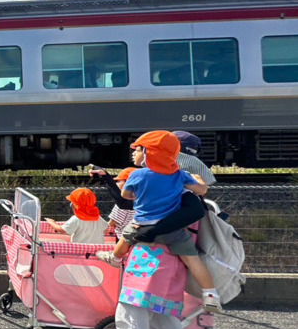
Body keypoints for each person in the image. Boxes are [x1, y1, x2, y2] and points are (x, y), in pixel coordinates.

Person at [95, 131, 222, 313]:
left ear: (148, 153)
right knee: (193, 260)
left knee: (125, 238)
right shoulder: (179, 174)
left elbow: (125, 196)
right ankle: (210, 295)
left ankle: (114, 258)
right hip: (174, 228)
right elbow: (201, 190)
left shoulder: (137, 176)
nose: (133, 153)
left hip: (142, 225)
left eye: (137, 150)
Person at [89, 167, 137, 239]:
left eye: (118, 181)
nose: (116, 184)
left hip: (123, 237)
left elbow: (112, 223)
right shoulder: (141, 201)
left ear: (128, 183)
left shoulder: (122, 205)